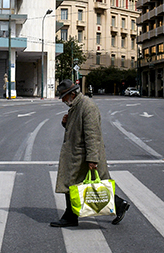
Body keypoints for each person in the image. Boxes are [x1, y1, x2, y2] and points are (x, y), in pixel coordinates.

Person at [50, 79, 130, 227]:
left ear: (72, 94)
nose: (63, 100)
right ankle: (118, 205)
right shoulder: (76, 105)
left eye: (64, 97)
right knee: (75, 185)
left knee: (79, 185)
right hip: (77, 154)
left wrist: (92, 158)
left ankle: (71, 216)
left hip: (83, 155)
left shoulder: (87, 106)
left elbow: (92, 134)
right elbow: (77, 129)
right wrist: (65, 123)